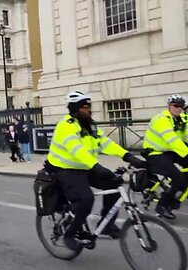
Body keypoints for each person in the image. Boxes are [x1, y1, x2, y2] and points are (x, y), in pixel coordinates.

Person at [46, 91, 145, 251]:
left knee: (115, 184)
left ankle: (106, 224)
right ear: (75, 109)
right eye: (85, 107)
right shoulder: (66, 126)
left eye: (90, 106)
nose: (89, 110)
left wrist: (128, 156)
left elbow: (105, 143)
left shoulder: (89, 125)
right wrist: (97, 167)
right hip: (65, 169)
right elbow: (77, 151)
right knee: (86, 199)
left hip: (85, 166)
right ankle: (69, 234)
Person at [142, 95, 188, 219]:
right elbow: (172, 140)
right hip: (155, 153)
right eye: (175, 106)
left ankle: (178, 188)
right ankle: (162, 205)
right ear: (169, 106)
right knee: (178, 177)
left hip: (170, 152)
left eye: (181, 106)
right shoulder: (161, 119)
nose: (179, 109)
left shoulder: (182, 119)